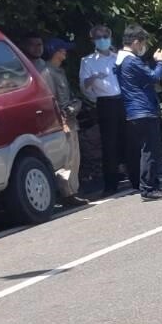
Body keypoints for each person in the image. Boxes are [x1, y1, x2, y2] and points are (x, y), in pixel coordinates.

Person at [116, 24, 162, 201]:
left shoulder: (120, 60)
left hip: (134, 110)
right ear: (136, 42)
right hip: (143, 109)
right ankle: (148, 188)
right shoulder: (131, 60)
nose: (143, 47)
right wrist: (160, 61)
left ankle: (151, 185)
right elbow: (154, 76)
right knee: (150, 150)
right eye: (142, 43)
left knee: (146, 149)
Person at [80, 25, 128, 194]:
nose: (102, 40)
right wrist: (93, 79)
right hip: (105, 103)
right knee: (109, 144)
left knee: (129, 139)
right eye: (98, 37)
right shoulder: (88, 61)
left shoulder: (118, 58)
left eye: (105, 36)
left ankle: (136, 177)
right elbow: (85, 87)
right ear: (93, 40)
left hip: (122, 101)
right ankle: (111, 183)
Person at [39, 38, 83, 199]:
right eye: (62, 49)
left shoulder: (60, 71)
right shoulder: (47, 72)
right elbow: (51, 101)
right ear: (55, 52)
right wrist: (61, 122)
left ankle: (74, 191)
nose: (65, 52)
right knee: (68, 160)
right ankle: (68, 194)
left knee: (75, 158)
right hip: (62, 123)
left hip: (71, 119)